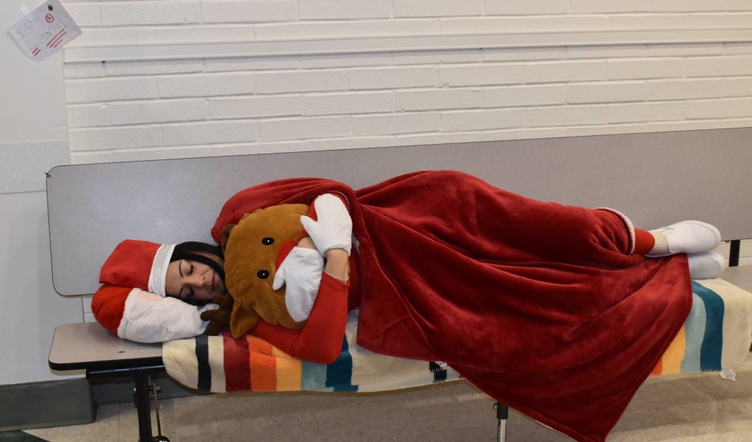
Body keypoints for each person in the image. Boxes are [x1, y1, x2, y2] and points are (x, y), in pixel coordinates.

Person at [92, 170, 725, 442]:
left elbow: (328, 191)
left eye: (187, 269)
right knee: (528, 300)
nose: (200, 282)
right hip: (408, 285)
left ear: (189, 248)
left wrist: (337, 230)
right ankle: (659, 275)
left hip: (412, 215)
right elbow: (318, 346)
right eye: (188, 293)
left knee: (541, 227)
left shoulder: (240, 217)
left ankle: (651, 242)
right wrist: (337, 266)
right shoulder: (252, 320)